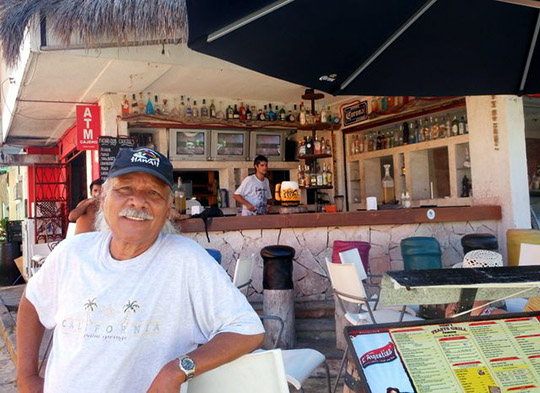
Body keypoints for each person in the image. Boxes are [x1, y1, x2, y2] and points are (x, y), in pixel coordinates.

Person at [17, 147, 264, 393]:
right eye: (124, 189)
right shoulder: (72, 253)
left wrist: (177, 369)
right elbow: (33, 301)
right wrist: (26, 375)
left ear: (168, 209)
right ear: (103, 199)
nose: (138, 201)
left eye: (154, 193)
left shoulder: (186, 260)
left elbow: (247, 329)